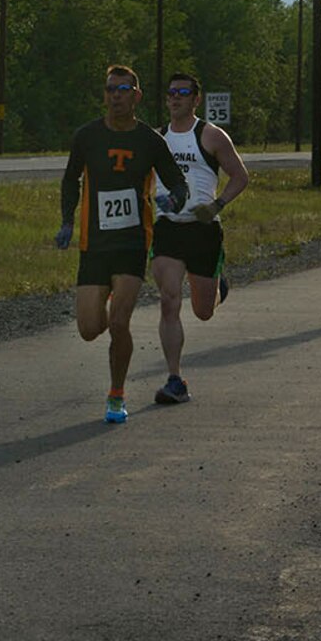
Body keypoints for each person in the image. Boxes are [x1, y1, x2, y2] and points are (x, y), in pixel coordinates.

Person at [57, 65, 190, 424]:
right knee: (88, 328)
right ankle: (106, 300)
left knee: (119, 323)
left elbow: (179, 185)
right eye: (110, 89)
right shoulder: (87, 136)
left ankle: (116, 394)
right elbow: (70, 180)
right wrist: (67, 221)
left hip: (132, 242)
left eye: (123, 89)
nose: (115, 95)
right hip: (94, 243)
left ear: (137, 96)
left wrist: (172, 201)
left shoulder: (150, 141)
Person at [148, 71, 250, 405]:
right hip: (168, 228)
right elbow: (144, 181)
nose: (175, 98)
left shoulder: (211, 136)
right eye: (171, 92)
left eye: (183, 92)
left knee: (203, 311)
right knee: (168, 299)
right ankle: (175, 379)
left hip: (203, 229)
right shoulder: (156, 137)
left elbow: (240, 176)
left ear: (196, 99)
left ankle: (217, 284)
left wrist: (217, 204)